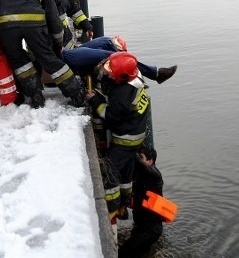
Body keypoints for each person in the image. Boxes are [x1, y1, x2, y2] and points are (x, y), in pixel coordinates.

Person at [0, 0, 85, 109]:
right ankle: (76, 94)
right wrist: (56, 45)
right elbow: (53, 21)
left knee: (19, 61)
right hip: (32, 21)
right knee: (48, 58)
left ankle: (35, 95)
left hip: (3, 23)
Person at [86, 52, 149, 227]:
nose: (108, 73)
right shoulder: (136, 82)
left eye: (111, 71)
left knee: (109, 170)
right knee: (126, 173)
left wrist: (95, 100)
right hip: (135, 137)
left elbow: (110, 116)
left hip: (124, 140)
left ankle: (112, 208)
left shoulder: (122, 94)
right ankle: (124, 206)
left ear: (121, 76)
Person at [63, 36, 178, 84]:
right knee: (113, 56)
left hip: (69, 56)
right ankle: (155, 74)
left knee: (109, 49)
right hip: (66, 58)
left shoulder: (105, 43)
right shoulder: (107, 43)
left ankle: (152, 74)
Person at [118, 146, 164, 258]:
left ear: (150, 161)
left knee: (122, 254)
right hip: (141, 226)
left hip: (150, 230)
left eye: (141, 157)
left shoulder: (155, 176)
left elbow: (141, 165)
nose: (138, 158)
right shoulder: (138, 177)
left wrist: (128, 148)